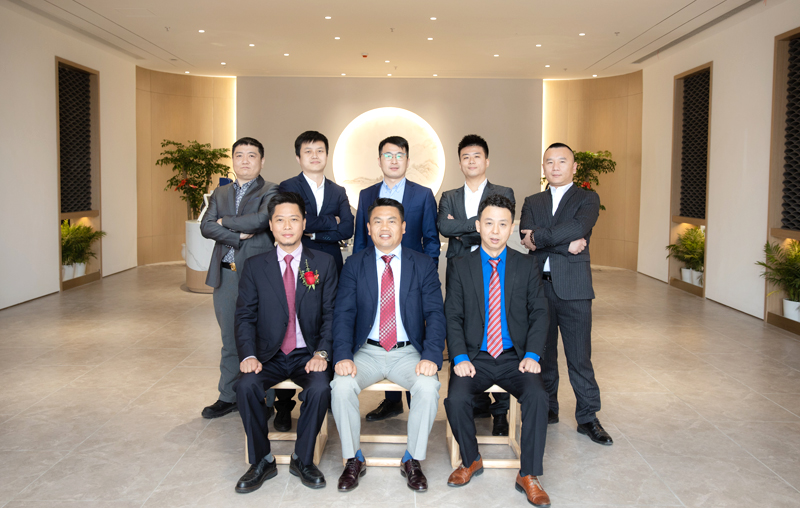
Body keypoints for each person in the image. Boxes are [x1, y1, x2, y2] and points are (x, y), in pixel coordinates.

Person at [330, 198, 445, 493]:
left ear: (403, 227)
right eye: (377, 221)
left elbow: (435, 313)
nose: (385, 227)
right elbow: (343, 314)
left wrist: (431, 356)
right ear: (368, 228)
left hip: (407, 352)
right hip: (366, 351)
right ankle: (353, 458)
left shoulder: (422, 264)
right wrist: (342, 355)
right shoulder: (355, 264)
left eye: (392, 221)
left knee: (428, 387)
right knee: (341, 386)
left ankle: (413, 459)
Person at [443, 194, 551, 507]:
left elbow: (539, 313)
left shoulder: (526, 265)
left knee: (538, 396)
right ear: (478, 225)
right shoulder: (460, 266)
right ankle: (471, 459)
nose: (495, 230)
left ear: (511, 227)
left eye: (502, 224)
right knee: (456, 399)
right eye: (488, 223)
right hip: (474, 356)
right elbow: (453, 315)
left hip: (514, 357)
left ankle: (529, 474)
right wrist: (459, 356)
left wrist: (532, 355)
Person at [233, 192, 337, 493]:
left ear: (304, 223)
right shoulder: (254, 265)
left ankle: (302, 459)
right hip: (269, 354)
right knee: (245, 386)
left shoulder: (324, 263)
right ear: (271, 225)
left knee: (320, 388)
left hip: (308, 352)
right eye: (280, 220)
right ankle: (261, 460)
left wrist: (322, 352)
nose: (287, 226)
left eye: (294, 219)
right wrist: (249, 355)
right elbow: (244, 316)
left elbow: (332, 314)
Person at [519, 142, 613, 446]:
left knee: (579, 356)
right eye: (549, 161)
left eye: (562, 161)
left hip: (574, 289)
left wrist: (541, 238)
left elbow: (577, 227)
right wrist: (565, 243)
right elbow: (525, 237)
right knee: (543, 354)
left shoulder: (588, 198)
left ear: (574, 167)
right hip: (538, 288)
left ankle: (587, 416)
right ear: (543, 168)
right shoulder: (532, 201)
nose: (555, 167)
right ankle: (549, 408)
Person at [353, 136, 440, 421]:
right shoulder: (366, 194)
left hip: (412, 279)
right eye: (388, 155)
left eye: (399, 155)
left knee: (410, 333)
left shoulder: (423, 194)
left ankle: (417, 403)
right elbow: (360, 240)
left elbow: (431, 240)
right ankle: (392, 403)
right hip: (375, 275)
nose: (393, 160)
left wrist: (426, 275)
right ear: (379, 160)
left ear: (407, 160)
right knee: (382, 329)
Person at [275, 131, 355, 432]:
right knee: (291, 320)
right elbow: (295, 222)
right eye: (308, 151)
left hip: (330, 263)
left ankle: (324, 392)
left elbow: (347, 228)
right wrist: (330, 223)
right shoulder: (288, 187)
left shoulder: (338, 190)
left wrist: (313, 228)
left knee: (327, 320)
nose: (314, 156)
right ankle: (284, 406)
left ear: (327, 155)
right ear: (298, 157)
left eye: (320, 150)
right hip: (295, 259)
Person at [437, 134, 515, 437]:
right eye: (466, 157)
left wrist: (464, 227)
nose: (471, 161)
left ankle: (501, 411)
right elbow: (444, 227)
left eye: (477, 156)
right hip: (461, 271)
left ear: (487, 160)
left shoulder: (503, 192)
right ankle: (478, 400)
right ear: (459, 163)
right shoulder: (449, 195)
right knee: (467, 330)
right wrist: (477, 224)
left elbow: (498, 229)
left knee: (498, 329)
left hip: (496, 269)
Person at [200, 137, 278, 419]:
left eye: (251, 155)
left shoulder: (271, 190)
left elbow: (261, 220)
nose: (245, 160)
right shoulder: (220, 192)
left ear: (262, 161)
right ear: (232, 160)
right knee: (229, 338)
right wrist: (236, 235)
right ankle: (228, 396)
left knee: (262, 337)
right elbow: (206, 226)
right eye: (239, 155)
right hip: (226, 274)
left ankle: (264, 399)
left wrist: (225, 222)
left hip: (258, 276)